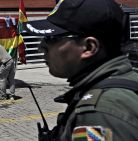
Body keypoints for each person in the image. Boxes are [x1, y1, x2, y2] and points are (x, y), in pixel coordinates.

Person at [25, 0, 138, 140]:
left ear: (89, 47)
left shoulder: (97, 115)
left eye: (51, 38)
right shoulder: (127, 79)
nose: (41, 47)